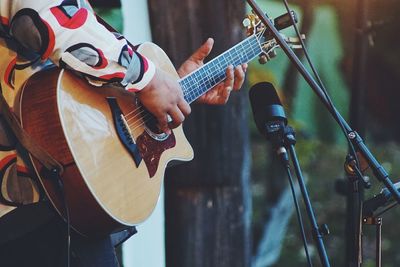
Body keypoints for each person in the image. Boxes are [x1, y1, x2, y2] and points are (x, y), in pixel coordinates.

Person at [0, 1, 247, 266]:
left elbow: (81, 62)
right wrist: (149, 79)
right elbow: (45, 19)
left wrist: (174, 90)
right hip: (29, 199)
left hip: (58, 192)